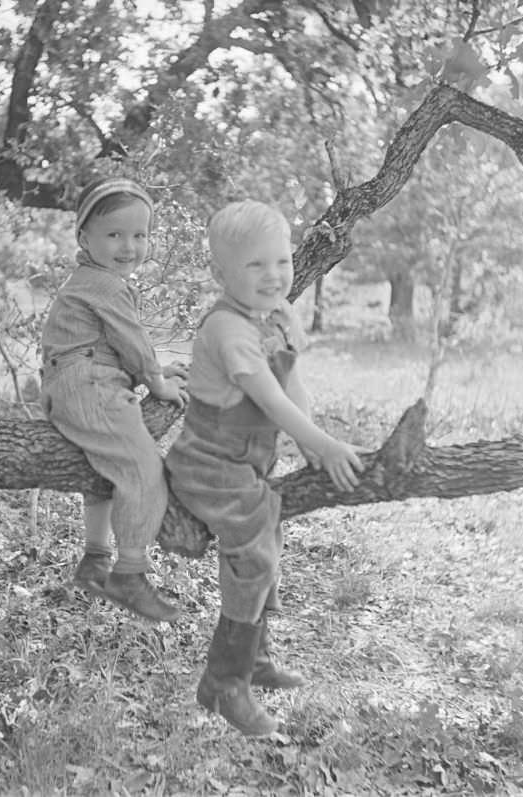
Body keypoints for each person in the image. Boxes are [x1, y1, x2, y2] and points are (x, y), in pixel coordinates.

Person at [165, 199, 366, 735]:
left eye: (280, 260)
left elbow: (293, 385)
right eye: (255, 265)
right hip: (208, 464)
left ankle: (255, 656)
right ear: (221, 274)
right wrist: (321, 446)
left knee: (269, 537)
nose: (273, 275)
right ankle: (225, 683)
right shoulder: (228, 329)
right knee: (253, 554)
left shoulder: (277, 315)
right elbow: (270, 401)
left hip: (246, 463)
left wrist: (314, 445)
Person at [40, 176, 188, 623]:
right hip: (87, 385)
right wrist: (157, 381)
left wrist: (152, 373)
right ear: (85, 238)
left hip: (77, 384)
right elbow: (132, 340)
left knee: (108, 470)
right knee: (144, 470)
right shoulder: (104, 284)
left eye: (140, 235)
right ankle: (129, 574)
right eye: (114, 234)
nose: (129, 246)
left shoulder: (93, 280)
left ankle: (95, 558)